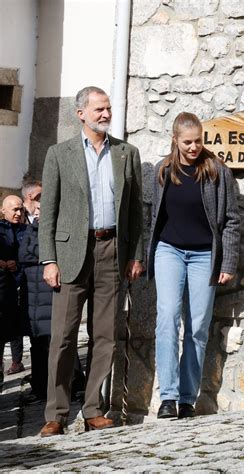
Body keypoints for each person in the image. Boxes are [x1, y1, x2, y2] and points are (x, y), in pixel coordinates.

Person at [38, 86, 144, 436]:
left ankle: (94, 409)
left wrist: (135, 255)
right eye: (99, 109)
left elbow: (134, 213)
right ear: (80, 113)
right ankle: (56, 413)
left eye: (108, 108)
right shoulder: (59, 154)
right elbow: (48, 212)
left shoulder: (127, 154)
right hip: (70, 253)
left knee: (106, 335)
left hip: (111, 250)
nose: (106, 114)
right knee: (64, 337)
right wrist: (49, 260)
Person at [147, 112, 240, 419]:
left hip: (204, 255)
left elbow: (231, 220)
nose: (194, 147)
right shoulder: (162, 171)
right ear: (175, 140)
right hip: (169, 251)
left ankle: (188, 397)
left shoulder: (216, 171)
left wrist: (227, 260)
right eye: (187, 142)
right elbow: (151, 216)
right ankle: (168, 397)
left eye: (198, 140)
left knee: (198, 326)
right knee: (168, 318)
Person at [19, 202, 86, 404]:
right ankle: (41, 388)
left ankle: (74, 385)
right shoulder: (31, 230)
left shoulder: (60, 229)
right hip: (36, 300)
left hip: (52, 293)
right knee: (39, 345)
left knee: (62, 340)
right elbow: (25, 256)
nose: (38, 213)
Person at [0, 195, 27, 383]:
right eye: (14, 210)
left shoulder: (27, 230)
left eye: (20, 209)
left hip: (22, 284)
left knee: (18, 327)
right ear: (3, 210)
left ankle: (17, 361)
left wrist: (17, 263)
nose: (18, 213)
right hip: (3, 288)